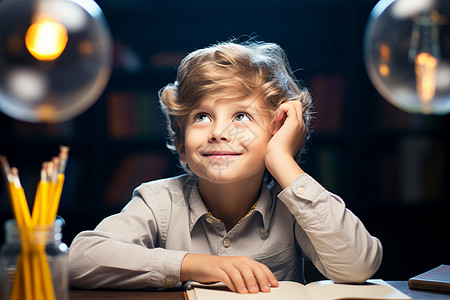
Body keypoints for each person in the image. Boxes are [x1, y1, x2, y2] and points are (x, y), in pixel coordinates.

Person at [68, 39, 382, 294]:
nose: (218, 132)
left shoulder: (294, 208)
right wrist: (195, 265)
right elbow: (79, 259)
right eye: (201, 117)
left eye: (241, 116)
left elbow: (358, 265)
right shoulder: (157, 202)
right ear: (181, 145)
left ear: (276, 134)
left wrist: (282, 161)